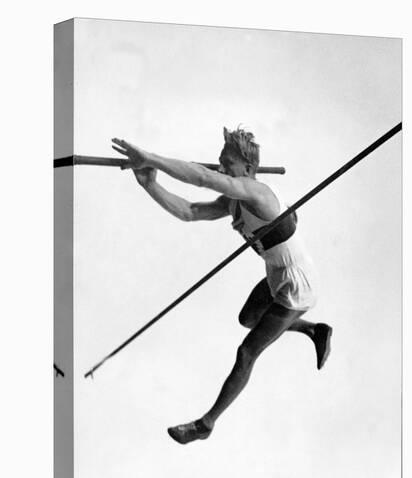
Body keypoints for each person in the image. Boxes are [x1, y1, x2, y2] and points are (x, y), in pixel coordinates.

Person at [111, 127, 332, 444]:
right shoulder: (233, 201)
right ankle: (314, 330)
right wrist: (151, 185)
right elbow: (190, 211)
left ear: (247, 168)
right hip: (275, 272)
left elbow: (202, 177)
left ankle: (206, 424)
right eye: (219, 161)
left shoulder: (259, 194)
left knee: (246, 352)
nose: (221, 168)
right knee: (248, 319)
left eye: (227, 163)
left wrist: (150, 157)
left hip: (298, 284)